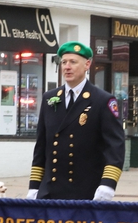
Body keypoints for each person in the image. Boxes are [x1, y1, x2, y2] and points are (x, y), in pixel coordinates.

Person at [28, 42, 126, 200]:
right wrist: (34, 186)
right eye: (64, 62)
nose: (67, 67)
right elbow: (41, 147)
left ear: (87, 64)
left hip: (85, 192)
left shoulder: (102, 100)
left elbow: (115, 147)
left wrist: (108, 184)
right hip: (49, 192)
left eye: (73, 62)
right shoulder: (50, 98)